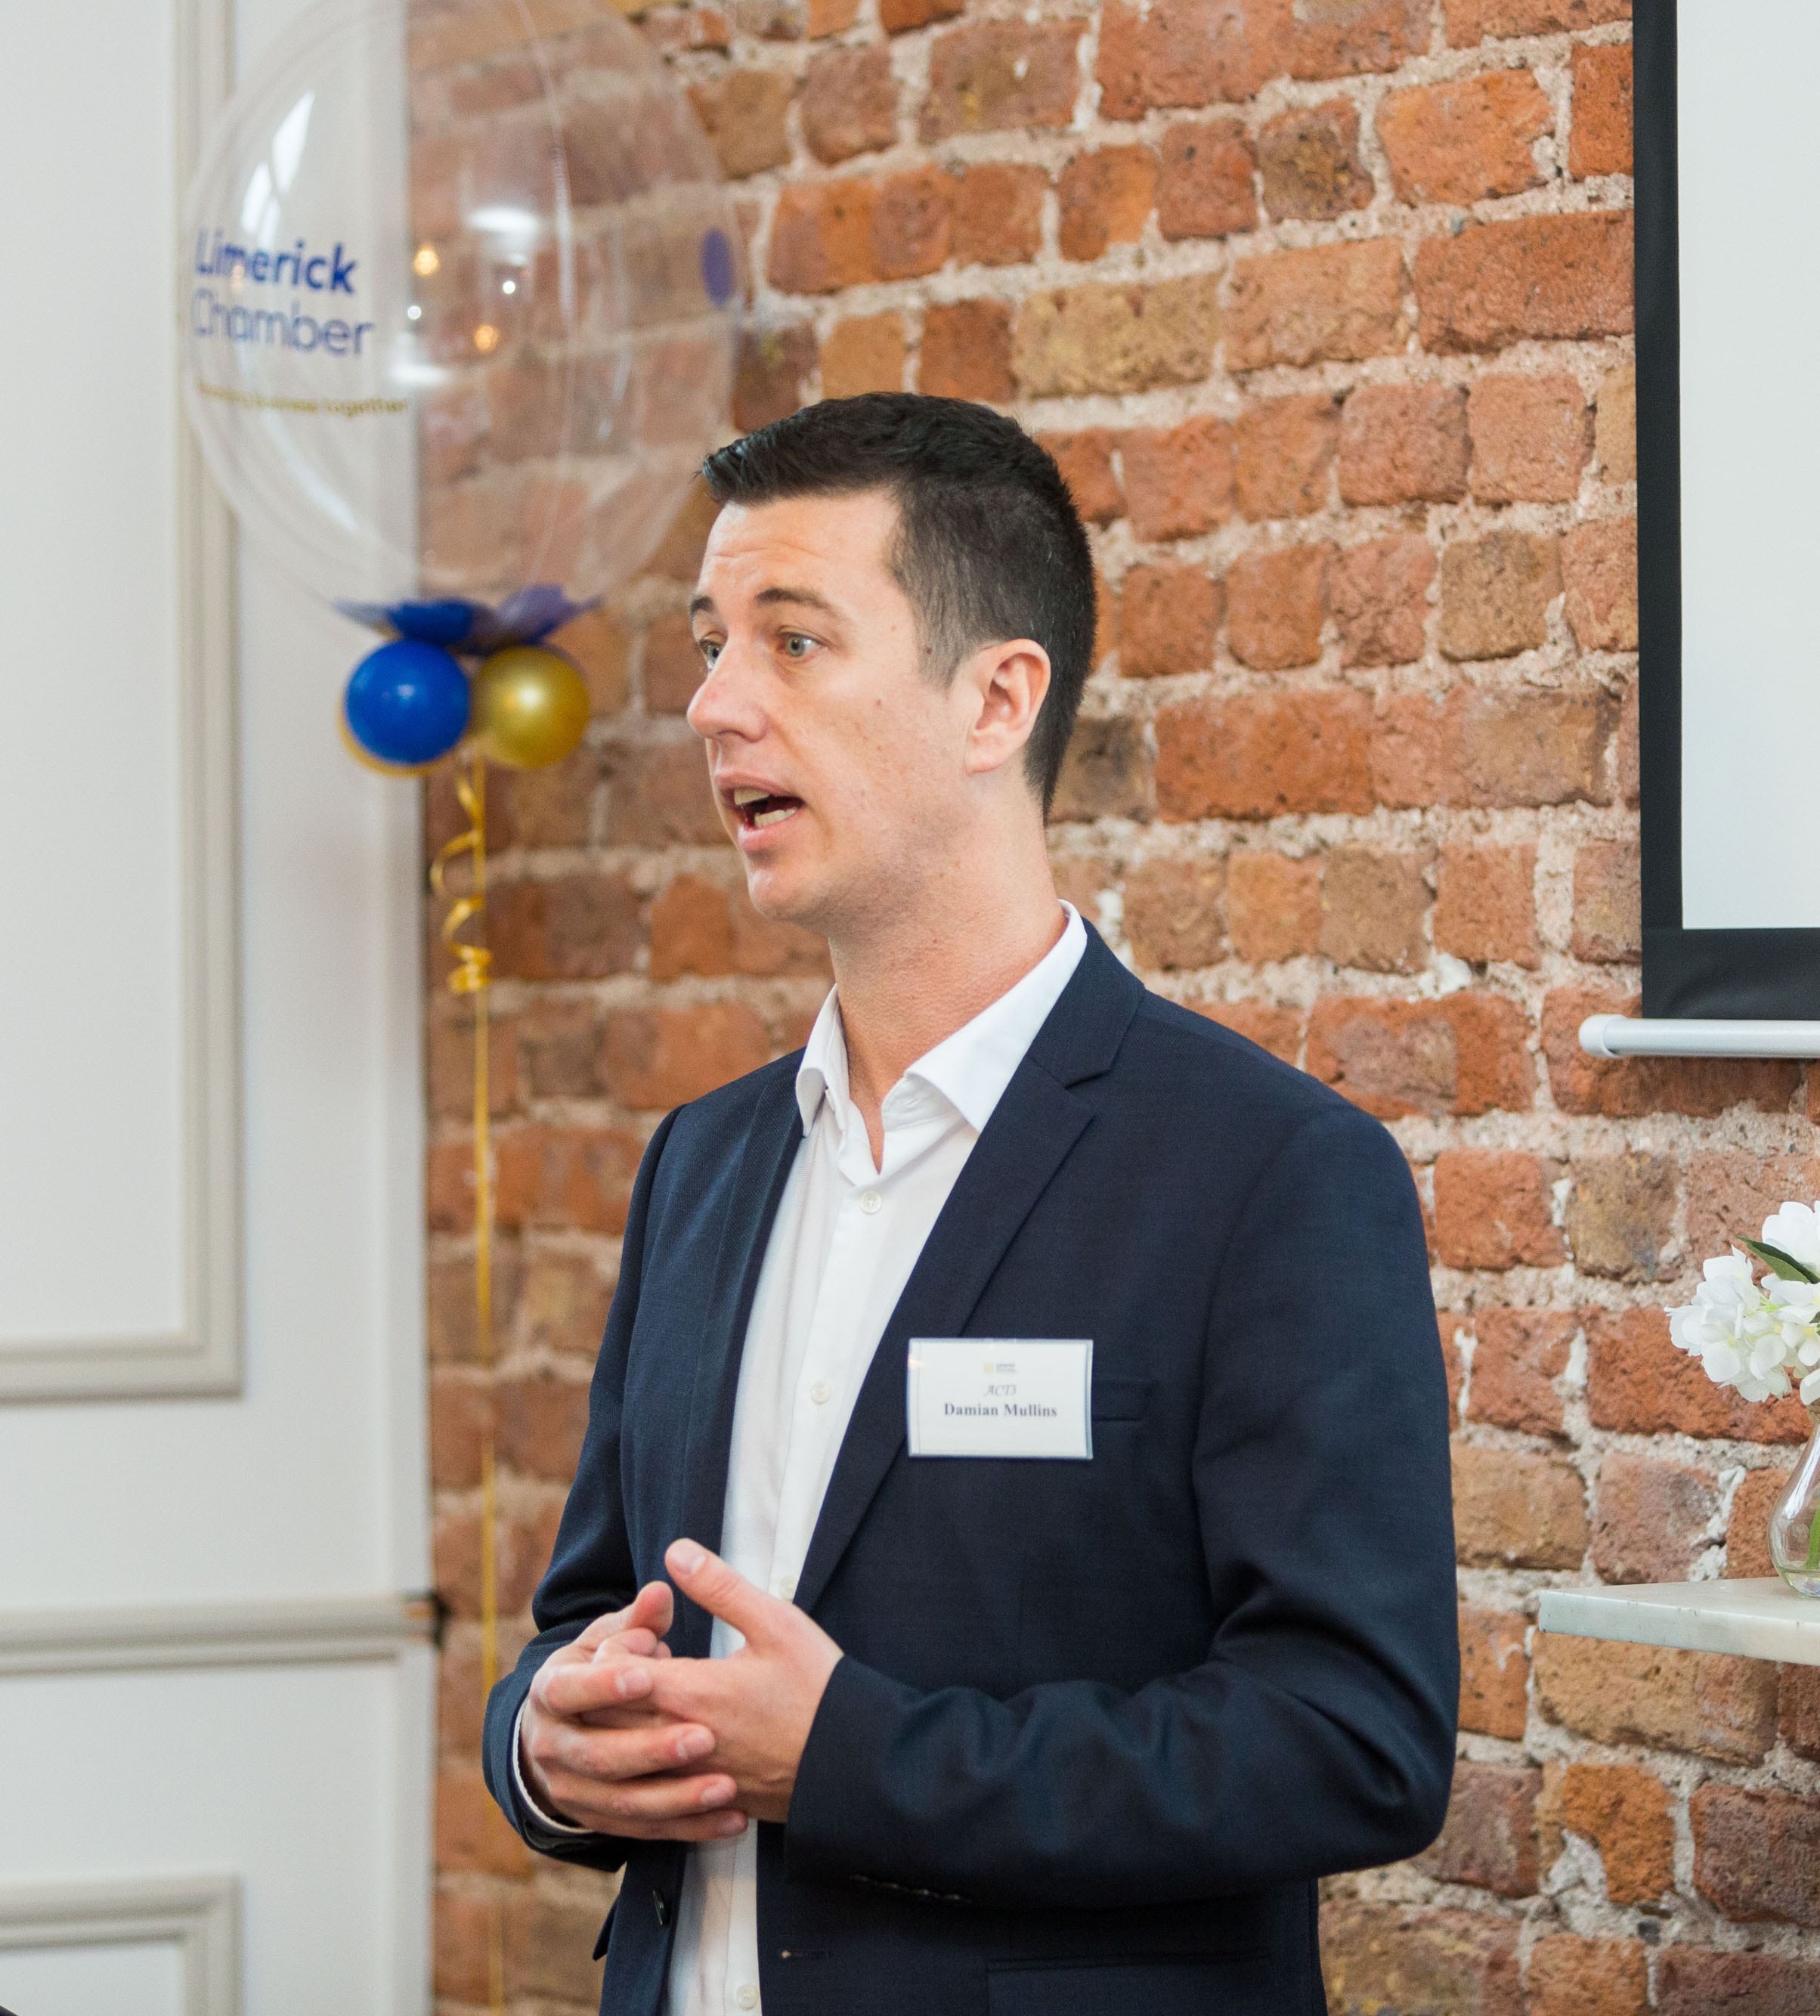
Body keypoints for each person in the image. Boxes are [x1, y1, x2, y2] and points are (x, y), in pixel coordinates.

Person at [481, 392, 1456, 2015]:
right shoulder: (703, 1162)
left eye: (791, 642)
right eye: (706, 642)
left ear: (995, 698)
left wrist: (856, 1755)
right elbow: (594, 1611)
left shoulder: (1266, 1172)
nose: (714, 704)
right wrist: (548, 1738)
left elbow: (1349, 1738)